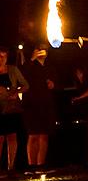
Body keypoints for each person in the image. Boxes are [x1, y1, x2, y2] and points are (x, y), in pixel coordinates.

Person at [22, 43, 57, 171]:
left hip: (46, 104)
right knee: (33, 135)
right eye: (40, 49)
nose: (43, 51)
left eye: (45, 50)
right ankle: (31, 165)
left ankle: (41, 164)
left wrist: (52, 83)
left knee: (44, 134)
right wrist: (31, 59)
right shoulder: (29, 64)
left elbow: (55, 81)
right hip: (31, 104)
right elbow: (22, 75)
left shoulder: (50, 67)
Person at [0, 46, 29, 177]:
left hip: (11, 107)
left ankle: (11, 167)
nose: (1, 59)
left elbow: (25, 85)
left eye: (3, 56)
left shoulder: (12, 69)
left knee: (12, 137)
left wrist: (15, 92)